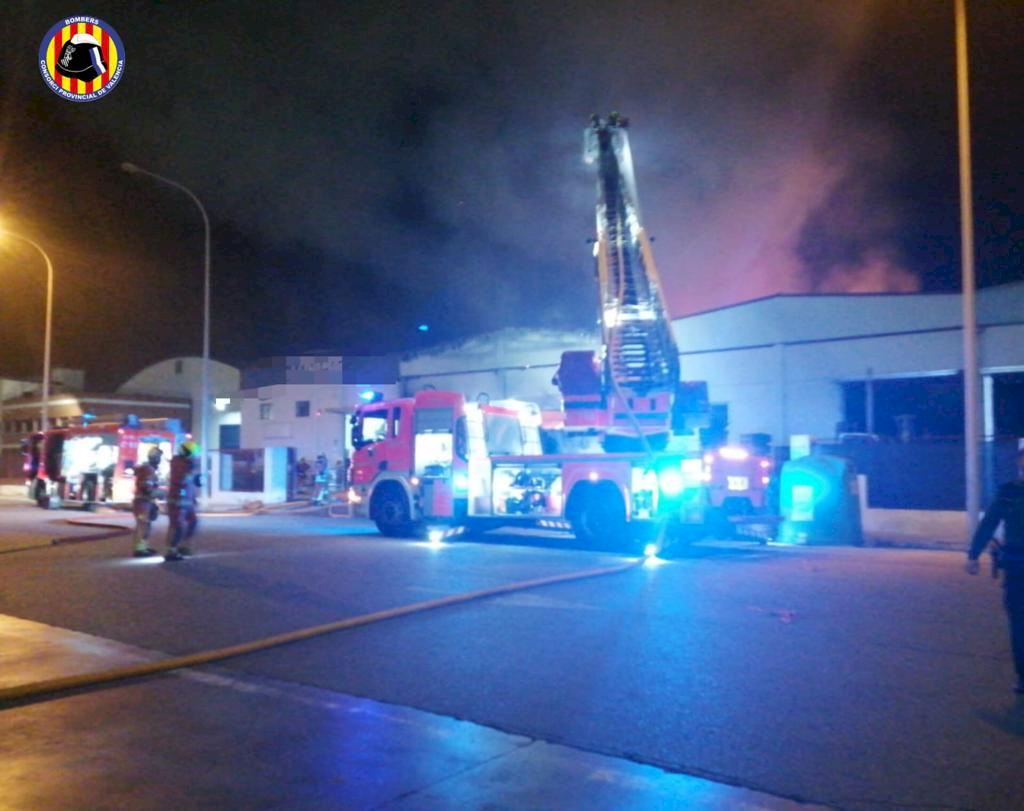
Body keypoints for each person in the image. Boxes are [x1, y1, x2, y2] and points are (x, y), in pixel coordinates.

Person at [966, 448, 1024, 694]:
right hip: (1017, 564)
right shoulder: (1008, 492)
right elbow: (989, 523)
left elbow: (989, 523)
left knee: (1019, 622)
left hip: (1015, 563)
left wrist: (973, 555)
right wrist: (973, 554)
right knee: (1019, 623)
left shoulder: (1009, 492)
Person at [164, 440, 201, 562]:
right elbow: (181, 481)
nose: (195, 456)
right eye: (193, 454)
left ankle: (183, 546)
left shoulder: (188, 464)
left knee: (193, 522)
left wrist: (193, 498)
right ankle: (171, 550)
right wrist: (192, 474)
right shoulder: (179, 464)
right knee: (177, 526)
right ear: (187, 453)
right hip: (177, 501)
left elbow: (191, 484)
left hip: (187, 501)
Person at [131, 446, 163, 557]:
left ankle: (143, 547)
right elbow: (146, 487)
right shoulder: (149, 469)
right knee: (143, 525)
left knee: (146, 525)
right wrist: (158, 493)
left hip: (145, 501)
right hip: (143, 501)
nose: (160, 460)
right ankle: (139, 549)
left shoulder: (148, 468)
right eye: (158, 457)